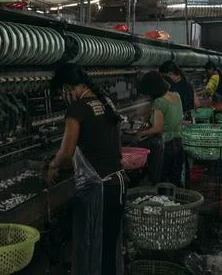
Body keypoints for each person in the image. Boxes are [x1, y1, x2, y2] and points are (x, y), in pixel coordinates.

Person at [47, 63, 125, 275]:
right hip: (117, 184)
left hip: (98, 190)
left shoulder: (77, 109)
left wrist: (53, 166)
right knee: (108, 247)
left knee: (92, 246)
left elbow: (66, 153)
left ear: (67, 88)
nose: (64, 96)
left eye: (63, 92)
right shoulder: (105, 101)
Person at [136, 71, 184, 187]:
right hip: (178, 145)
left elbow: (158, 128)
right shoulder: (176, 95)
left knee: (161, 184)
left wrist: (140, 134)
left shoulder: (159, 102)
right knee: (175, 182)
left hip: (164, 148)